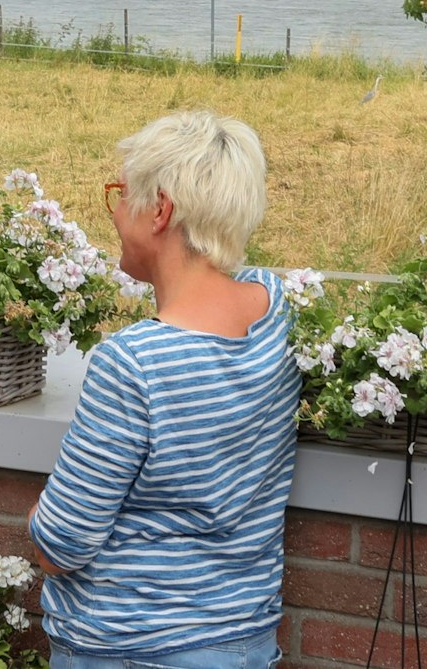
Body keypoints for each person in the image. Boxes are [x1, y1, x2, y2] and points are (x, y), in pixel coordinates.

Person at [28, 110, 297, 669]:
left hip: (130, 649)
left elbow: (61, 547)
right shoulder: (274, 308)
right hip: (244, 642)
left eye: (122, 196)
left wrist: (39, 517)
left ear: (161, 211)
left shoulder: (133, 365)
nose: (116, 213)